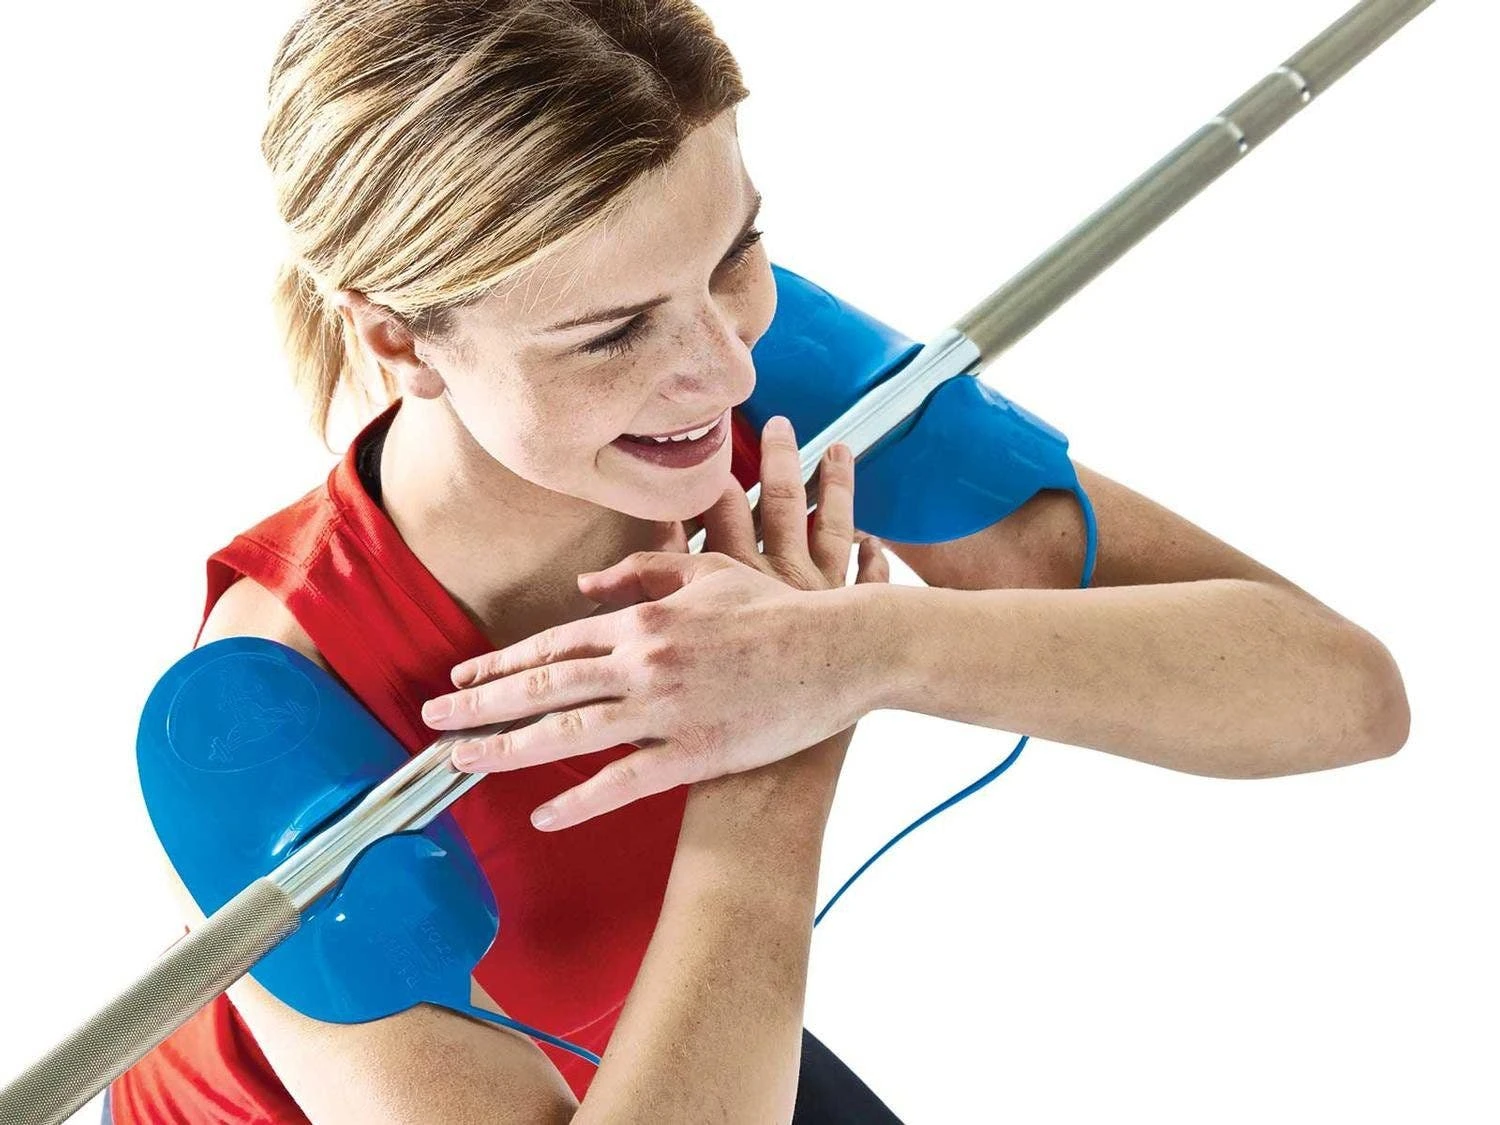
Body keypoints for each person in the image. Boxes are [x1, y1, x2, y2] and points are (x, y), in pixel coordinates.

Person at [107, 1, 1411, 1122]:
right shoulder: (250, 720)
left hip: (656, 1043)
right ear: (398, 340)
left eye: (736, 253)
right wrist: (770, 771)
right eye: (611, 332)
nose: (723, 368)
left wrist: (863, 649)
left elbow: (1345, 694)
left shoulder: (759, 381)